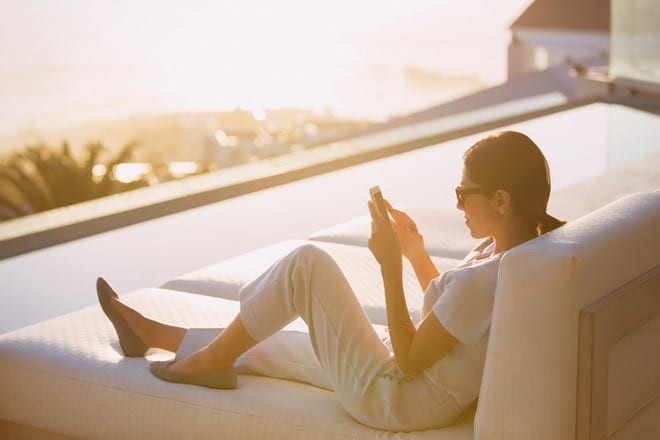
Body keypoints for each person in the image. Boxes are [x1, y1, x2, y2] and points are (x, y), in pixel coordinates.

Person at [97, 130, 565, 432]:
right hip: (414, 383)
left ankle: (202, 365)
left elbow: (407, 359)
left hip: (396, 397)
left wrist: (388, 265)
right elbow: (447, 320)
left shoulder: (487, 278)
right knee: (274, 341)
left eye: (464, 193)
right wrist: (416, 252)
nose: (458, 204)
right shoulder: (512, 253)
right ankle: (155, 336)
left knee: (306, 265)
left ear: (501, 201)